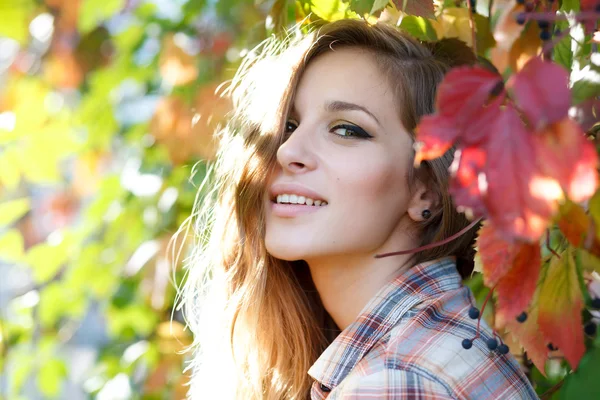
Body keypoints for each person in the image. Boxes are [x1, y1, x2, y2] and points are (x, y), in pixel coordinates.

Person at [181, 19, 539, 399]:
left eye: (347, 130)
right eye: (288, 125)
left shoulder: (393, 381)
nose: (287, 151)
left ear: (427, 191)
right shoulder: (440, 342)